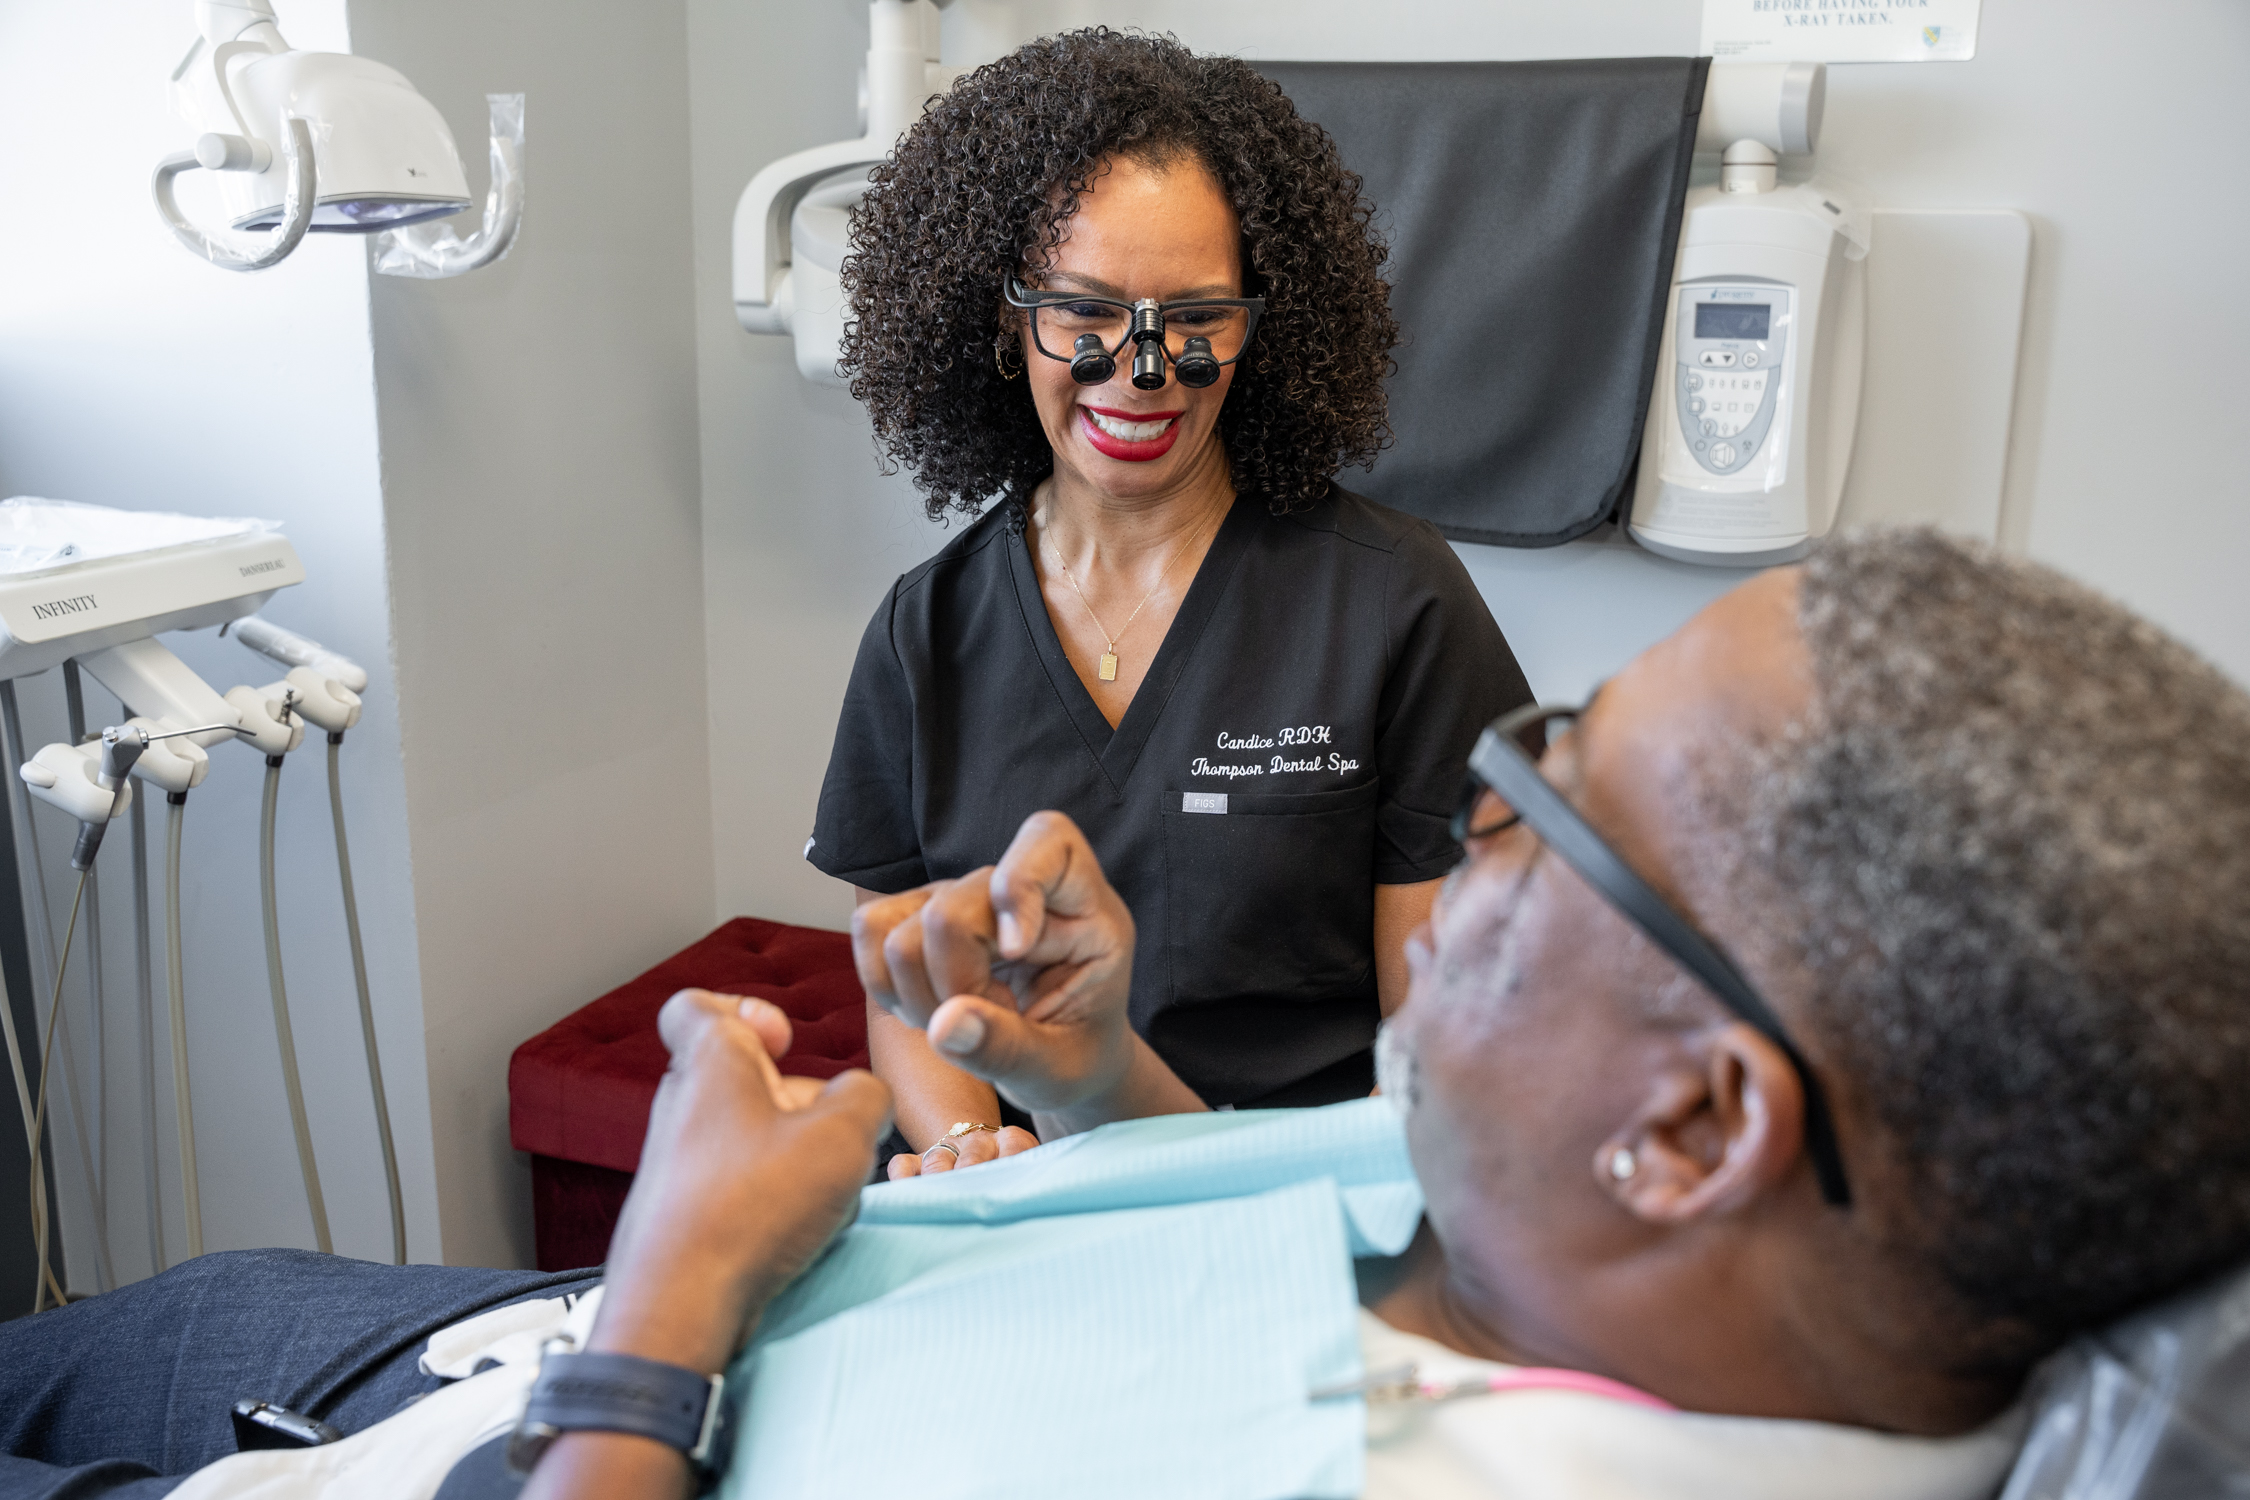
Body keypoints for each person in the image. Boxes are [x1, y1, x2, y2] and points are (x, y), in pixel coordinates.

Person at [7, 531, 2249, 1499]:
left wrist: (669, 1312)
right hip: (468, 1351)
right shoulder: (1606, 1234)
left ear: (1694, 1129)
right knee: (113, 1331)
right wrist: (1101, 1090)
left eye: (1555, 804)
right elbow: (1280, 1257)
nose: (1478, 807)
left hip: (564, 1395)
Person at [810, 28, 1532, 1177]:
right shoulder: (924, 636)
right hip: (1027, 1202)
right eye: (1084, 314)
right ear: (1006, 317)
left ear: (1263, 323)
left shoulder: (1396, 605)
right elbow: (903, 983)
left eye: (1196, 318)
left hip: (1307, 1201)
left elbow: (1445, 1037)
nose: (1142, 372)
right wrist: (966, 1144)